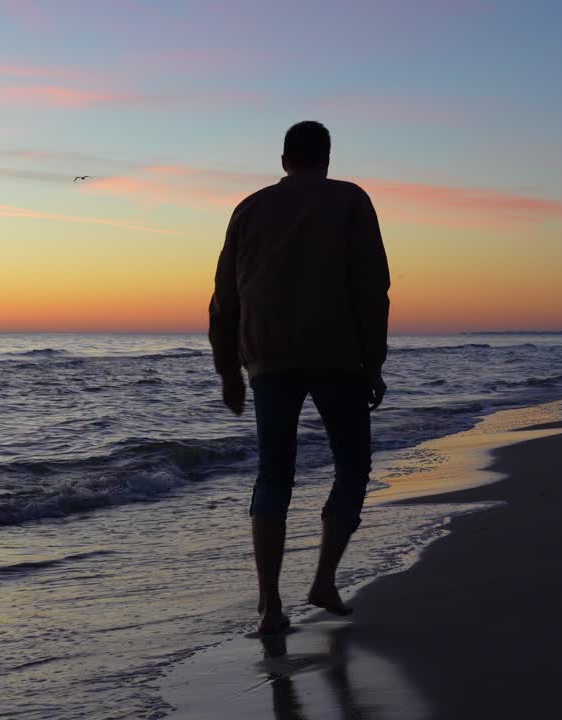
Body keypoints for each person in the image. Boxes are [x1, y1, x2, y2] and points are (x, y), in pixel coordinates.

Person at [208, 121, 390, 634]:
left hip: (268, 357)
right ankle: (323, 580)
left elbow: (225, 295)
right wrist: (373, 362)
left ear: (284, 158)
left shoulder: (249, 208)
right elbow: (372, 285)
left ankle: (269, 606)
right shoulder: (351, 200)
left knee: (274, 475)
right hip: (338, 355)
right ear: (327, 158)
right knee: (352, 466)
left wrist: (228, 371)